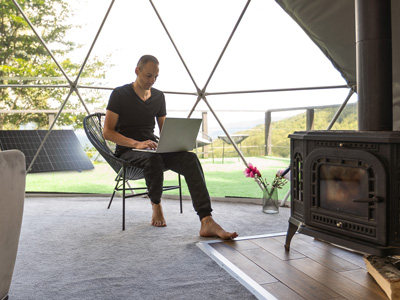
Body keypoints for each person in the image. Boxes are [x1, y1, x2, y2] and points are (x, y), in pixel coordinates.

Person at [103, 54, 238, 240]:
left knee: (190, 159)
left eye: (156, 77)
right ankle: (156, 204)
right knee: (154, 159)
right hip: (128, 150)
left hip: (153, 147)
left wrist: (174, 142)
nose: (152, 80)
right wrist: (136, 143)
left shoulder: (158, 96)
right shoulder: (120, 94)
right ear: (137, 71)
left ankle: (206, 220)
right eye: (148, 75)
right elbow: (108, 132)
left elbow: (164, 129)